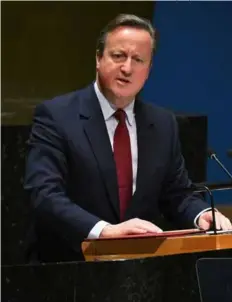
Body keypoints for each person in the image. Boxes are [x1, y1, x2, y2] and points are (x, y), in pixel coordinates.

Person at [24, 14, 232, 263]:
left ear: (149, 70)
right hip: (68, 270)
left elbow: (177, 193)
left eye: (138, 60)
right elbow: (44, 194)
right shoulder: (57, 116)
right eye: (118, 56)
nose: (127, 68)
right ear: (99, 59)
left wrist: (201, 214)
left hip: (139, 276)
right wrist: (104, 231)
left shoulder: (163, 124)